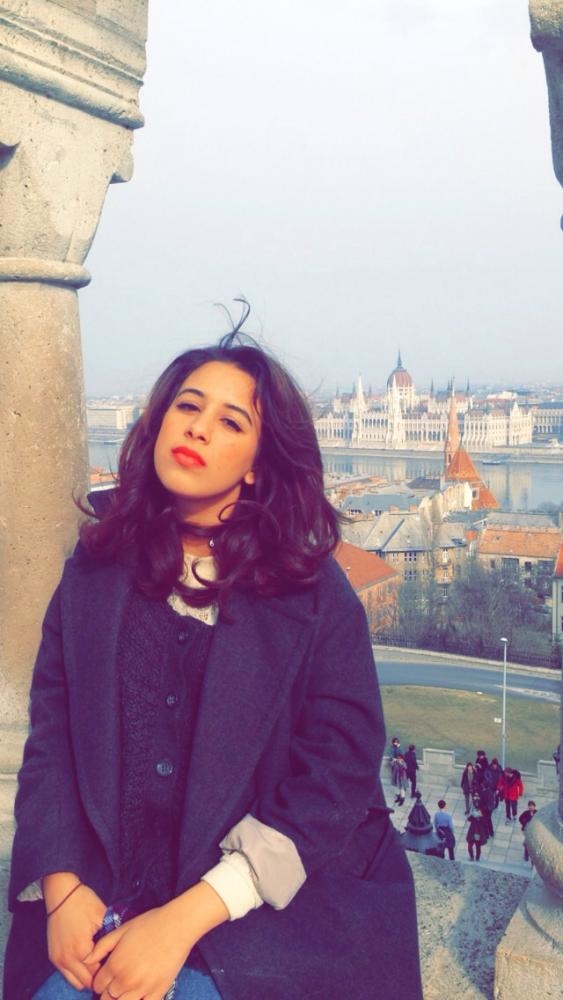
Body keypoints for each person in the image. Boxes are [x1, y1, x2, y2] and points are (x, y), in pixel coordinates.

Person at [4, 326, 423, 1000]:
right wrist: (60, 885)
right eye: (187, 406)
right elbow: (52, 739)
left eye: (230, 421)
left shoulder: (314, 595)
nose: (197, 428)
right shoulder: (96, 568)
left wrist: (183, 921)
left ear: (257, 462)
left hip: (255, 908)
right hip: (105, 890)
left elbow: (336, 777)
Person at [466, 794, 487, 862]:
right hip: (472, 831)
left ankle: (477, 858)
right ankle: (472, 857)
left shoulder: (482, 811)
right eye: (475, 803)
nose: (476, 804)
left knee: (478, 846)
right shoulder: (473, 810)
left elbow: (485, 822)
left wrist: (480, 817)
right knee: (470, 846)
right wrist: (473, 815)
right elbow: (469, 819)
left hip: (478, 832)